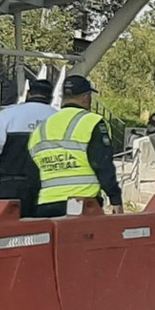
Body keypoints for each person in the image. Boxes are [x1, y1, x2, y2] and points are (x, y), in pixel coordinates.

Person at [26, 75, 124, 218]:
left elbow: (31, 174)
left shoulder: (42, 128)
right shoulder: (92, 122)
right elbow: (102, 163)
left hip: (46, 205)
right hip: (82, 204)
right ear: (86, 97)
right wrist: (115, 199)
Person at [0, 78, 57, 208]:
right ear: (51, 97)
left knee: (7, 228)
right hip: (48, 189)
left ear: (28, 93)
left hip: (12, 187)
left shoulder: (8, 115)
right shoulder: (58, 118)